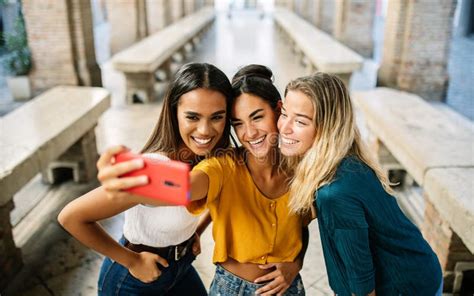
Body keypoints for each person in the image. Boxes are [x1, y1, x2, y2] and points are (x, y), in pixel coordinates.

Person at [99, 65, 309, 296]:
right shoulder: (222, 165)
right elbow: (186, 187)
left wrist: (294, 264)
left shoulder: (300, 167)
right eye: (237, 123)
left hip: (288, 287)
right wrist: (134, 175)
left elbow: (301, 226)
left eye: (257, 117)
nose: (249, 133)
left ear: (279, 110)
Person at [58, 62, 234, 296]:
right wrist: (131, 261)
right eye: (192, 117)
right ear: (174, 113)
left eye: (216, 117)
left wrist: (196, 232)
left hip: (181, 266)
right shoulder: (158, 166)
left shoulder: (214, 157)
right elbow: (71, 217)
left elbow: (216, 191)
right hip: (133, 278)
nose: (204, 130)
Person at [277, 72, 443, 296]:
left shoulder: (335, 193)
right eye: (284, 114)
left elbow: (363, 286)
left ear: (328, 128)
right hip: (419, 266)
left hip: (405, 286)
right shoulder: (346, 157)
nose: (284, 127)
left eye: (300, 121)